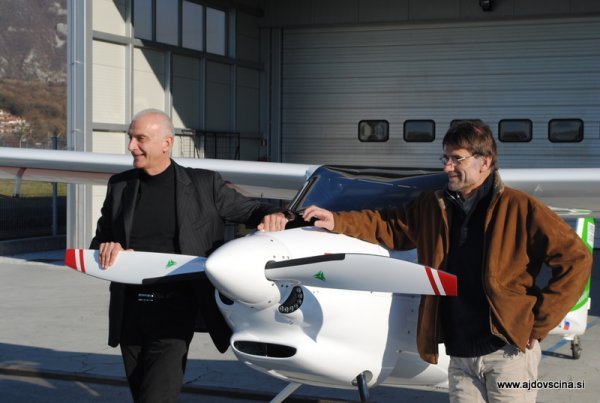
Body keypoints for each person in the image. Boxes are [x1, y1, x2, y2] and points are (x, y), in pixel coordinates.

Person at [302, 121, 592, 402]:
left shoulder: (520, 207)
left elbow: (576, 258)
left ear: (485, 162)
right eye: (445, 158)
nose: (447, 167)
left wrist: (539, 324)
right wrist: (336, 220)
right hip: (460, 354)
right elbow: (389, 225)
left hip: (508, 353)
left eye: (457, 159)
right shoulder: (433, 205)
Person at [90, 108, 287, 403]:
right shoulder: (120, 185)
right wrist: (108, 247)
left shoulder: (204, 185)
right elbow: (99, 241)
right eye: (131, 138)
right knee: (142, 393)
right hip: (129, 308)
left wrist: (276, 214)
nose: (131, 146)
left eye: (140, 139)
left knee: (156, 397)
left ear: (166, 143)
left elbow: (252, 209)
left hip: (176, 310)